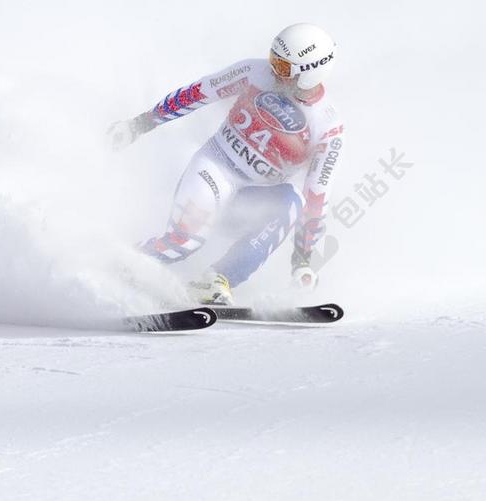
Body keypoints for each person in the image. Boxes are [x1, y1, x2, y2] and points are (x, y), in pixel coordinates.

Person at [107, 23, 345, 305]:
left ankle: (216, 280)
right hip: (216, 168)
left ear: (309, 73)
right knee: (184, 243)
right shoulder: (253, 72)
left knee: (291, 202)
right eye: (273, 59)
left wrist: (302, 260)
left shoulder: (327, 125)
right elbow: (197, 94)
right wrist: (139, 125)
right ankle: (116, 266)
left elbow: (316, 195)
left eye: (282, 67)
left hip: (253, 198)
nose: (273, 70)